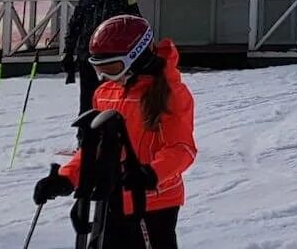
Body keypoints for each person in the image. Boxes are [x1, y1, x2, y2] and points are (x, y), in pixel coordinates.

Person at [34, 16, 196, 249]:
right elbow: (94, 147)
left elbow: (182, 150)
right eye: (99, 69)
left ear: (137, 58)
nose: (106, 77)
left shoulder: (171, 94)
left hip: (154, 203)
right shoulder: (106, 93)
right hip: (111, 198)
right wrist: (66, 178)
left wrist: (150, 174)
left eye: (112, 68)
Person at [63, 0, 139, 143]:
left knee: (109, 99)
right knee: (87, 99)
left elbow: (136, 27)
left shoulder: (122, 4)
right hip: (87, 58)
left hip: (111, 61)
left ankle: (109, 138)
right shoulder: (88, 1)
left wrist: (132, 4)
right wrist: (68, 53)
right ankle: (84, 139)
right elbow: (74, 28)